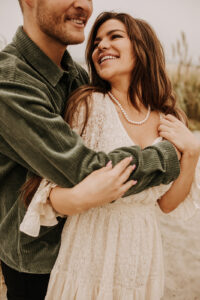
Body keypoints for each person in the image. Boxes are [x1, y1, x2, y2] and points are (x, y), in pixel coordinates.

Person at [19, 11, 200, 300]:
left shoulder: (169, 118)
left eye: (115, 36)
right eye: (96, 42)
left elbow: (166, 204)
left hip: (143, 252)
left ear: (143, 48)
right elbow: (49, 192)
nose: (100, 46)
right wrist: (87, 196)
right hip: (89, 247)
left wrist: (191, 153)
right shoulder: (88, 105)